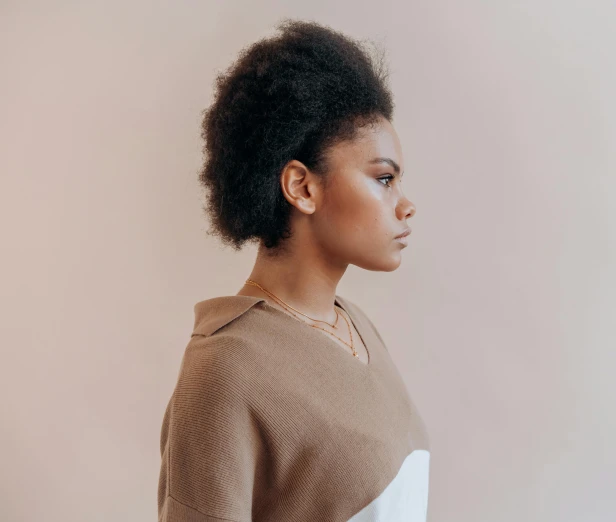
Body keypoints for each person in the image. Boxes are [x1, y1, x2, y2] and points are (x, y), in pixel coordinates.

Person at [157, 18, 430, 522]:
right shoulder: (224, 369)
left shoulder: (356, 327)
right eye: (384, 179)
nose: (406, 204)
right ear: (302, 187)